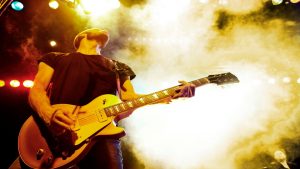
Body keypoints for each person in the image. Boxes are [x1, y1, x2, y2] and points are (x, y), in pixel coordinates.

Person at [9, 28, 196, 169]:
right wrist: (48, 113)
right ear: (81, 36)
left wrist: (172, 92)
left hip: (102, 135)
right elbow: (37, 90)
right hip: (53, 133)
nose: (103, 29)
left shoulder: (118, 67)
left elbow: (129, 97)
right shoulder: (56, 58)